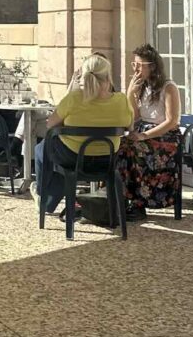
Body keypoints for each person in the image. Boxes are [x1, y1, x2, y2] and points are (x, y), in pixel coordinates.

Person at [32, 54, 132, 216]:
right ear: (108, 77)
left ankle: (43, 196)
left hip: (73, 158)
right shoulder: (121, 100)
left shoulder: (74, 98)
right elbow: (130, 126)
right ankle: (47, 200)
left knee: (41, 150)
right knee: (59, 161)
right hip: (107, 160)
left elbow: (50, 124)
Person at [117, 44, 181, 220]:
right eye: (134, 65)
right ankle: (121, 199)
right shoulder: (144, 87)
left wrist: (144, 135)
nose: (136, 69)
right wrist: (130, 93)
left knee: (134, 149)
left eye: (139, 65)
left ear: (152, 66)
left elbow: (172, 120)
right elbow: (137, 116)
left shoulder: (168, 87)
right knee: (118, 147)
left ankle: (139, 204)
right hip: (144, 132)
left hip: (165, 137)